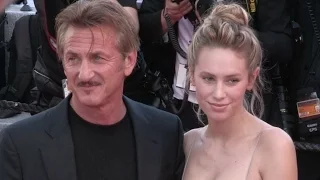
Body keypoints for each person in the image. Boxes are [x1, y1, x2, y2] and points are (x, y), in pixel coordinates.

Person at [0, 0, 185, 180]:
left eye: (98, 58)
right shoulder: (20, 144)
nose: (84, 74)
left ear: (129, 61)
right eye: (73, 58)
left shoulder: (166, 133)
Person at [182, 3, 297, 180]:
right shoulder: (187, 143)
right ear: (191, 74)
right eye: (208, 78)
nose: (219, 93)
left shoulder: (274, 145)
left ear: (251, 78)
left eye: (232, 80)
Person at [138, 0, 293, 131]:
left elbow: (282, 45)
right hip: (179, 102)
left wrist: (231, 30)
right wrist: (168, 16)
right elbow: (139, 30)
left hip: (241, 102)